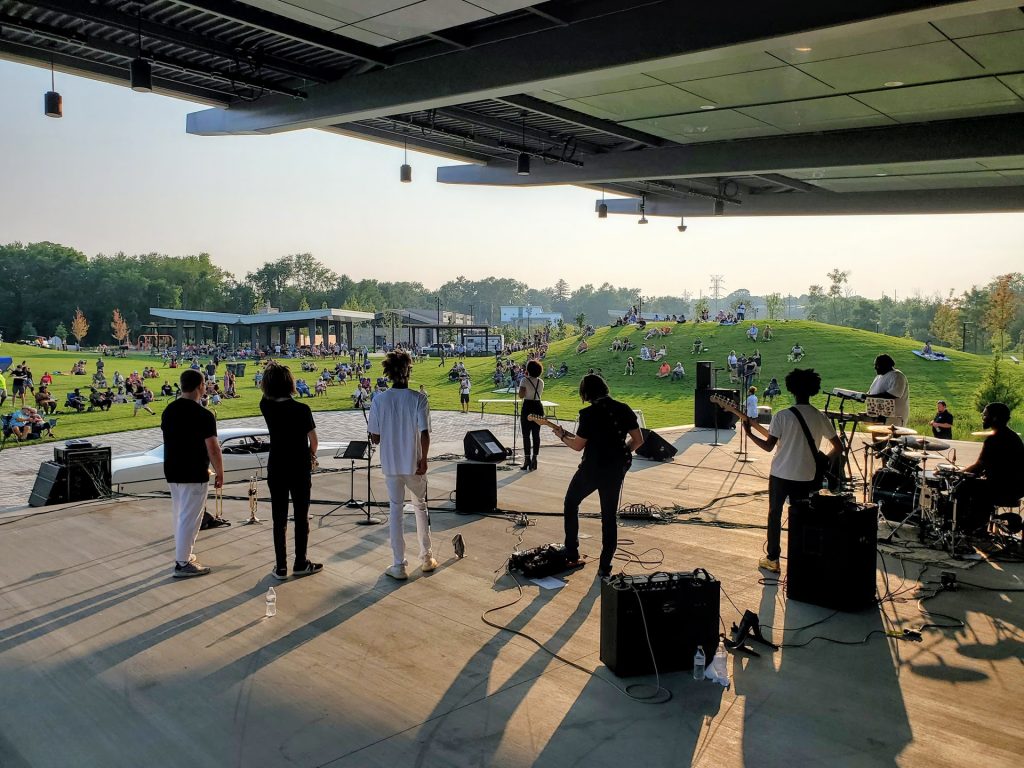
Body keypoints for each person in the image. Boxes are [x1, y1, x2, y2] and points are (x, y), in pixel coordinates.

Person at [742, 369, 842, 574]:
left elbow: (768, 446)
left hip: (781, 474)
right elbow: (838, 447)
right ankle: (800, 559)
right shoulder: (819, 416)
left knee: (775, 514)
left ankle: (773, 559)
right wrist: (824, 460)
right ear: (813, 390)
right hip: (806, 475)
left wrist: (749, 433)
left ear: (792, 390)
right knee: (801, 516)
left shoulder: (782, 416)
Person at [553, 375, 644, 579]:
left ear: (586, 394)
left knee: (571, 503)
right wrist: (622, 453)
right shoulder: (624, 408)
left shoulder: (588, 414)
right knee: (609, 517)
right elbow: (638, 440)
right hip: (615, 470)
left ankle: (572, 552)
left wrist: (562, 435)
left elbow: (578, 445)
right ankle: (605, 566)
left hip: (592, 469)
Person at [368, 350, 436, 580]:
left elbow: (375, 437)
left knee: (395, 510)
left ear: (388, 372)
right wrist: (424, 458)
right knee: (420, 507)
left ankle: (398, 564)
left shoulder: (379, 400)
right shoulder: (419, 398)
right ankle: (426, 557)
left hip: (391, 463)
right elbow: (424, 433)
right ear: (409, 371)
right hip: (414, 462)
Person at [259, 363, 323, 580]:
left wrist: (271, 373)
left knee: (279, 518)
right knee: (301, 516)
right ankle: (300, 562)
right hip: (299, 466)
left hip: (276, 465)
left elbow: (266, 394)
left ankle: (281, 567)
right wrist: (311, 455)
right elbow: (314, 441)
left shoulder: (266, 406)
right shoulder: (302, 409)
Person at [161, 369, 223, 578]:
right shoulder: (204, 415)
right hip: (194, 471)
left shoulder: (169, 410)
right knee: (191, 517)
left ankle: (184, 554)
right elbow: (213, 448)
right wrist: (220, 471)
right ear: (200, 386)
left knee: (181, 514)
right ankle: (182, 562)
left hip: (173, 469)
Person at [964, 402, 1024, 511]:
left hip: (1003, 488)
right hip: (1017, 488)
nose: (983, 418)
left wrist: (959, 474)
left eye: (985, 415)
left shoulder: (994, 439)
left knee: (963, 487)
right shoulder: (1013, 436)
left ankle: (974, 520)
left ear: (995, 418)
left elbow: (979, 466)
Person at [868, 354, 910, 426]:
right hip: (879, 415)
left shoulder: (897, 376)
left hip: (894, 417)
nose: (875, 368)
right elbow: (871, 393)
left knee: (891, 433)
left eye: (877, 365)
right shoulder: (879, 377)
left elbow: (893, 394)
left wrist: (870, 397)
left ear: (885, 365)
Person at [518, 360, 545, 471]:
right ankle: (535, 459)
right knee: (536, 434)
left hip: (527, 406)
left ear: (528, 370)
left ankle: (527, 460)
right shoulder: (541, 382)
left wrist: (521, 387)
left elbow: (521, 395)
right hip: (538, 406)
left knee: (526, 435)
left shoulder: (524, 380)